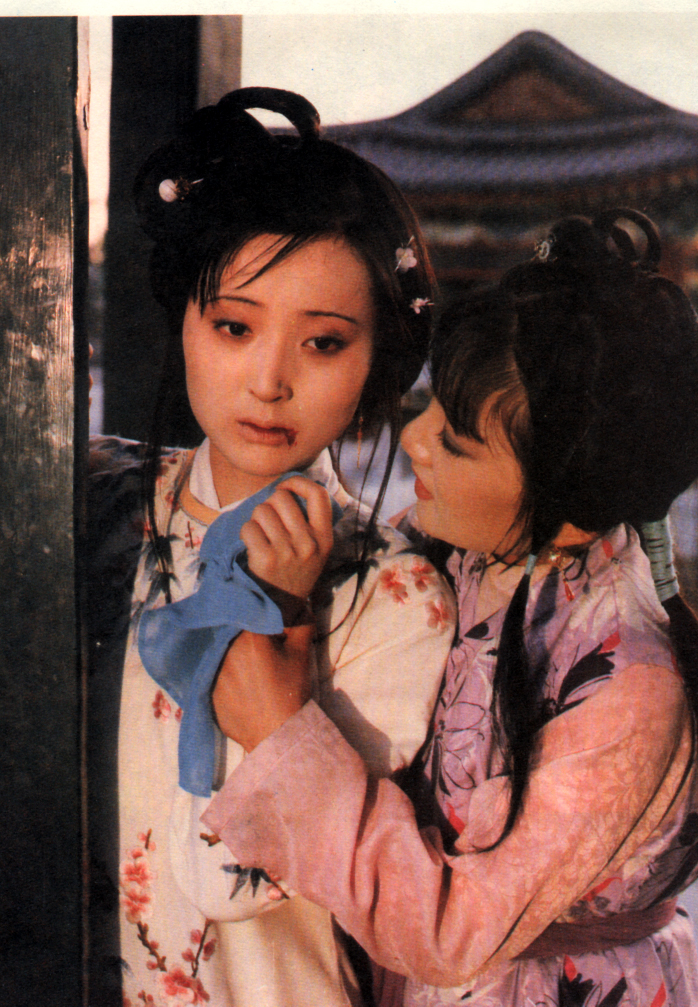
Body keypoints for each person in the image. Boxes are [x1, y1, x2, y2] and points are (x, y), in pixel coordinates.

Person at [203, 210, 698, 1007]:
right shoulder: (458, 547)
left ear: (564, 490)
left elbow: (451, 930)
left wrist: (280, 737)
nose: (414, 439)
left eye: (457, 441)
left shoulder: (631, 685)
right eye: (432, 405)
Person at [84, 87, 455, 1007]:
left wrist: (274, 612)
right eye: (234, 326)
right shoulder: (96, 501)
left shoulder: (396, 594)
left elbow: (227, 879)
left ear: (376, 361)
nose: (268, 379)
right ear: (184, 318)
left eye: (323, 343)